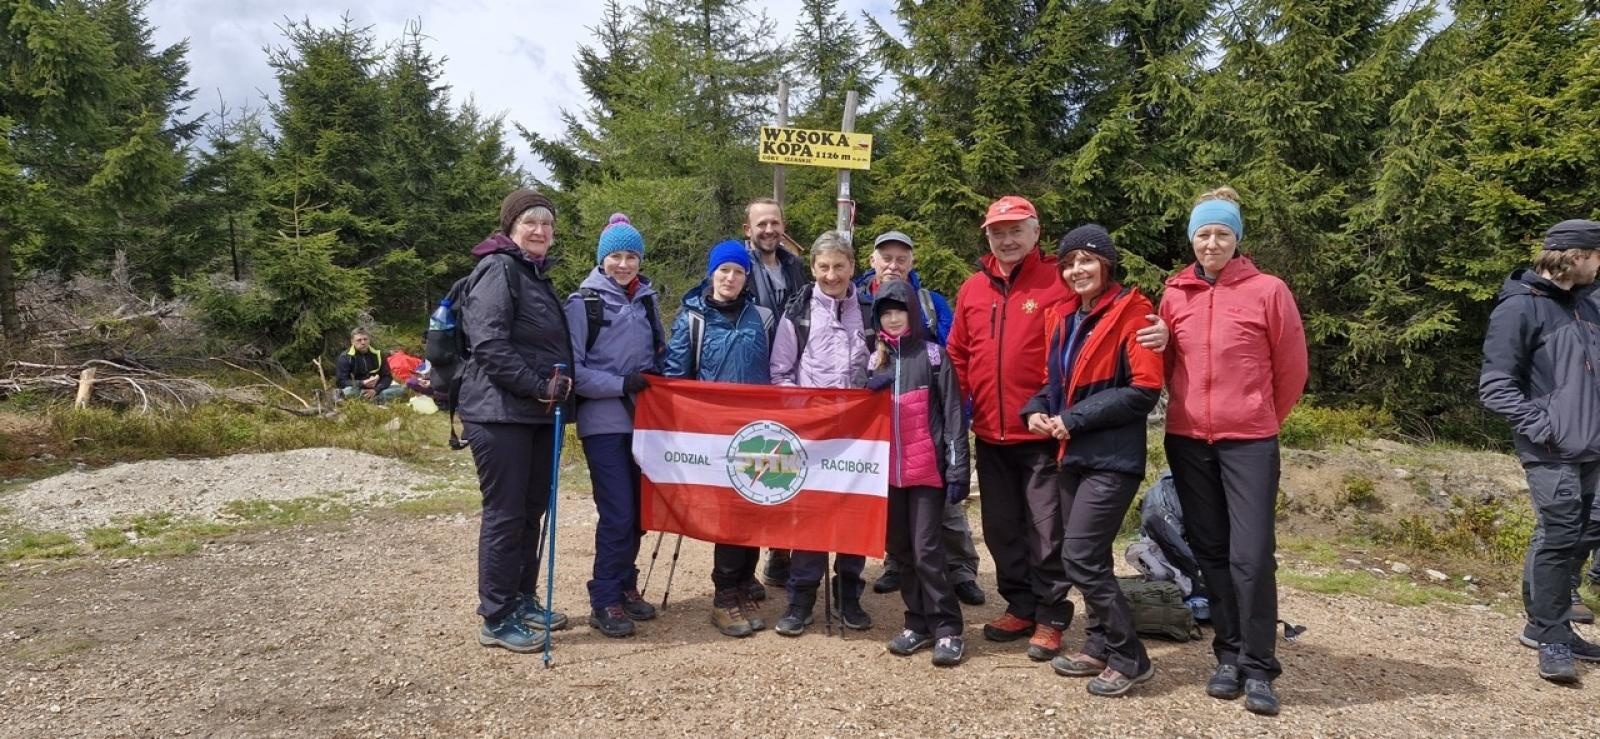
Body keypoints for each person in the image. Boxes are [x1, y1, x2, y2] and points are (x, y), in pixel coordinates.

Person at [1160, 187, 1307, 714]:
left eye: (1223, 233)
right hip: (1187, 438)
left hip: (1249, 441)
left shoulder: (1269, 290)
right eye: (1204, 233)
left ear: (1237, 238)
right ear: (1192, 239)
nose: (1212, 242)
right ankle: (1227, 654)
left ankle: (1260, 667)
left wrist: (1259, 417)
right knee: (1212, 554)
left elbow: (1291, 369)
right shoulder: (1174, 292)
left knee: (1251, 556)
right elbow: (1168, 363)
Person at [1019, 224, 1163, 696]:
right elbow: (1053, 386)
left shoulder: (1134, 311)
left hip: (1111, 458)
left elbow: (1143, 390)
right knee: (1089, 555)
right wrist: (1037, 410)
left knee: (1079, 557)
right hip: (1072, 453)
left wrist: (1073, 418)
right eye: (1069, 262)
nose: (1077, 269)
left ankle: (1130, 656)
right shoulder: (1062, 317)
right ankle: (1099, 644)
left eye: (1087, 259)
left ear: (1107, 264)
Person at [947, 195, 1076, 662]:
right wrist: (958, 409)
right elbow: (958, 354)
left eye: (1015, 230)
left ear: (1036, 233)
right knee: (1001, 529)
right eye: (997, 232)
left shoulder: (1060, 282)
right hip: (990, 432)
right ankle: (1020, 606)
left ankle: (1051, 616)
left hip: (1041, 434)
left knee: (1045, 530)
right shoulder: (972, 289)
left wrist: (1054, 407)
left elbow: (1073, 353)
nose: (1006, 239)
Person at [1480, 218, 1600, 684]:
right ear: (1576, 257)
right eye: (1597, 256)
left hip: (1591, 445)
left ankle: (1550, 625)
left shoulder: (1588, 304)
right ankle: (1550, 635)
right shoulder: (1519, 309)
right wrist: (1544, 426)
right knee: (1559, 532)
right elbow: (1495, 387)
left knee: (1582, 532)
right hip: (1550, 447)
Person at [458, 188, 577, 654]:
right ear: (511, 227)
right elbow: (488, 344)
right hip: (499, 412)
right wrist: (536, 385)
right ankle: (496, 614)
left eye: (547, 223)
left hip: (534, 415)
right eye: (531, 221)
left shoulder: (534, 275)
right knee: (506, 514)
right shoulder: (498, 269)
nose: (540, 230)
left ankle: (522, 598)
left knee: (531, 512)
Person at [856, 230, 984, 607]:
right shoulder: (859, 302)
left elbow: (953, 353)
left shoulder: (930, 303)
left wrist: (959, 409)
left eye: (901, 258)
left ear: (911, 263)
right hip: (886, 421)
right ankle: (897, 564)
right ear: (873, 261)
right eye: (887, 257)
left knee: (944, 506)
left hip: (929, 417)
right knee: (894, 506)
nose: (893, 264)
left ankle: (961, 568)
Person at [663, 239, 776, 638]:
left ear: (747, 276)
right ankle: (723, 595)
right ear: (711, 273)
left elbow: (774, 370)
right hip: (714, 434)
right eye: (723, 270)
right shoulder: (692, 317)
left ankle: (744, 582)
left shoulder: (761, 317)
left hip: (757, 433)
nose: (730, 277)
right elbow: (676, 377)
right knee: (730, 514)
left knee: (755, 508)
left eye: (738, 271)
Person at [564, 214, 664, 639]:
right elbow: (574, 371)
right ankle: (603, 597)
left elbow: (657, 356)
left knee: (638, 512)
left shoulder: (645, 300)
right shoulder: (582, 303)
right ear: (602, 259)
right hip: (603, 422)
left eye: (632, 257)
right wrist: (621, 384)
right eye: (616, 256)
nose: (624, 264)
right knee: (618, 512)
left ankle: (625, 585)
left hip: (644, 420)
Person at [767, 231, 872, 636]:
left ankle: (849, 595)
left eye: (839, 266)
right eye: (824, 267)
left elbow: (880, 365)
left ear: (852, 267)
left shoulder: (867, 309)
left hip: (859, 436)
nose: (832, 275)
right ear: (812, 269)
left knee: (854, 515)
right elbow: (780, 374)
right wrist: (808, 412)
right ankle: (801, 598)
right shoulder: (798, 313)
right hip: (811, 435)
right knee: (809, 518)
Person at [870, 279, 971, 667]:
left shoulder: (932, 356)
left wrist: (958, 467)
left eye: (900, 309)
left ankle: (948, 627)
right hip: (888, 476)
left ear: (912, 311)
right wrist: (868, 388)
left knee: (928, 550)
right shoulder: (876, 360)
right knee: (902, 551)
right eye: (885, 311)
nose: (893, 318)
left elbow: (952, 416)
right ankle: (917, 622)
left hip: (927, 472)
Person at [743, 197, 806, 590]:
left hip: (791, 379)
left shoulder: (796, 267)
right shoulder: (739, 266)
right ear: (748, 228)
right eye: (761, 224)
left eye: (775, 223)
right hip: (753, 380)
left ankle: (783, 551)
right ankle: (743, 569)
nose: (769, 230)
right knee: (753, 473)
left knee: (789, 469)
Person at [335, 329, 404, 402]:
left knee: (401, 390)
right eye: (359, 340)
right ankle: (376, 399)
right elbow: (341, 381)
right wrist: (362, 383)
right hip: (357, 388)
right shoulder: (345, 357)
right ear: (352, 342)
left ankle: (372, 398)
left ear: (369, 340)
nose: (363, 342)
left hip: (377, 387)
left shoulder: (378, 354)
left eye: (365, 339)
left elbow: (387, 377)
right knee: (348, 391)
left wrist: (376, 390)